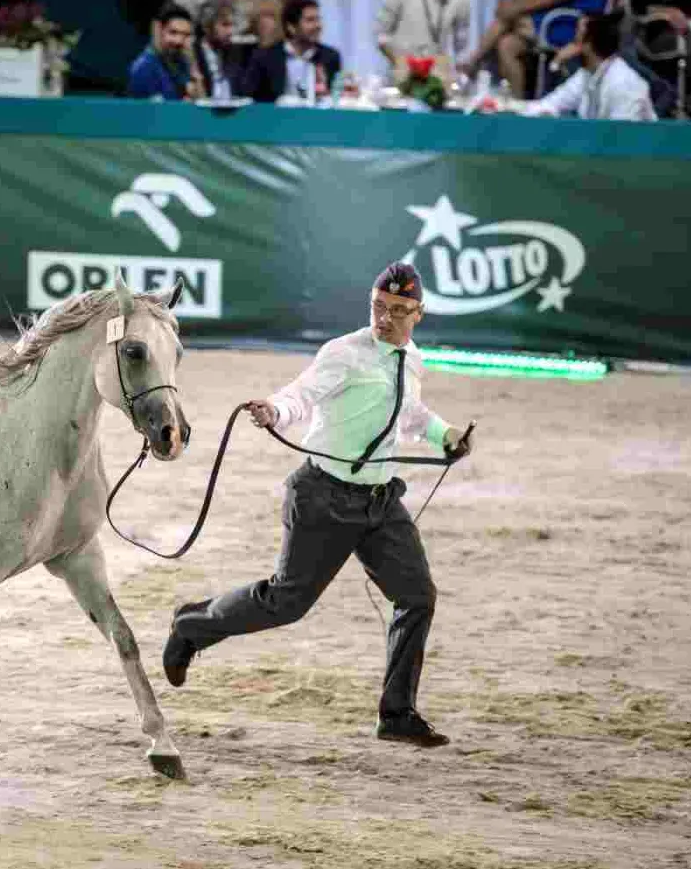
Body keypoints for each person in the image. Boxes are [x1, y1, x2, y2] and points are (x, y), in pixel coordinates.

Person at [163, 262, 474, 748]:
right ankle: (191, 625)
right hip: (323, 498)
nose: (385, 319)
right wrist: (274, 411)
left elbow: (406, 411)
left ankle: (396, 714)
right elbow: (302, 395)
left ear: (418, 314)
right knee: (285, 603)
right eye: (378, 307)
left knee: (417, 597)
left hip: (380, 502)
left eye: (397, 311)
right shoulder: (344, 353)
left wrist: (444, 434)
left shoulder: (411, 358)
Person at [459, 0, 611, 99]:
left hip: (572, 24)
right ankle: (517, 101)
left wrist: (518, 7)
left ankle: (472, 63)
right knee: (506, 45)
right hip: (550, 18)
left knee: (509, 17)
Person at [525, 13, 657, 119]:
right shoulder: (585, 75)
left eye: (577, 40)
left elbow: (623, 138)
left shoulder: (623, 82)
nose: (571, 45)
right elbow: (549, 104)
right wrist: (511, 106)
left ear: (588, 45)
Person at [238, 0, 340, 102]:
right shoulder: (265, 58)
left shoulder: (330, 57)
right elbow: (249, 99)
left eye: (318, 19)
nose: (318, 25)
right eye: (310, 20)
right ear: (291, 27)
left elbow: (336, 97)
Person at [126, 3, 206, 100]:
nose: (179, 41)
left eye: (185, 35)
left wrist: (194, 70)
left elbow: (201, 103)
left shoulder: (182, 63)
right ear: (159, 30)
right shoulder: (143, 68)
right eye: (173, 32)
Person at [194, 1, 246, 99]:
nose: (230, 31)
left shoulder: (235, 53)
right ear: (207, 27)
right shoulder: (193, 53)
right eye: (225, 25)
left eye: (233, 25)